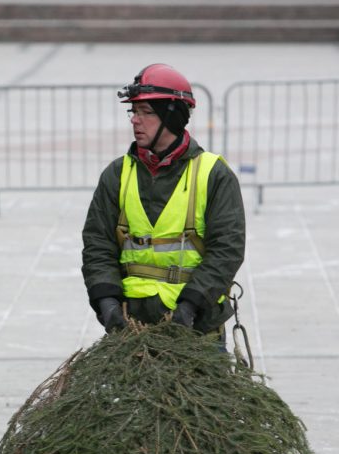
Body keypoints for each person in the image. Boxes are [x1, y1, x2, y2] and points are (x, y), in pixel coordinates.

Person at [81, 63, 245, 335]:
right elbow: (97, 244)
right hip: (131, 324)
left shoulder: (213, 174)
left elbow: (227, 250)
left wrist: (191, 305)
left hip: (196, 325)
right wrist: (107, 302)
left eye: (146, 112)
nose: (135, 120)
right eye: (133, 111)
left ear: (173, 117)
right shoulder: (117, 174)